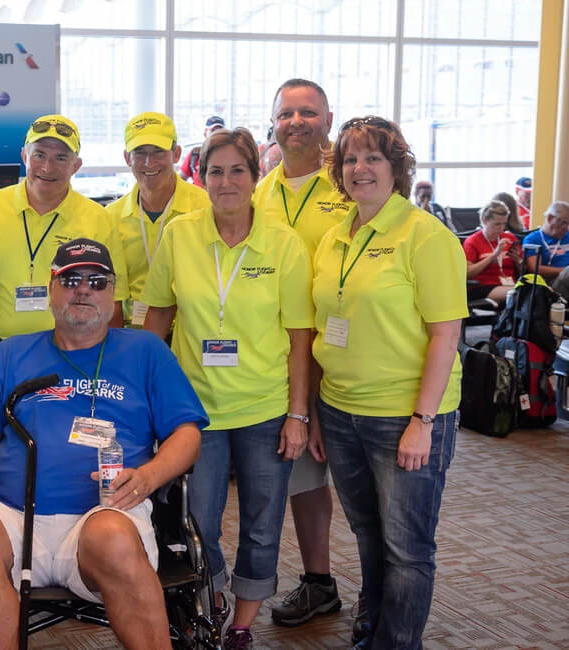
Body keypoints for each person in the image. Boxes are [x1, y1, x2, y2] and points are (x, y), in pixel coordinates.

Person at [0, 238, 207, 650]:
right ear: (51, 288)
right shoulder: (9, 355)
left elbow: (187, 434)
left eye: (97, 281)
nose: (84, 289)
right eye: (71, 280)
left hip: (105, 511)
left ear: (113, 293)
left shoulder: (146, 351)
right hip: (13, 516)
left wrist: (149, 476)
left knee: (113, 536)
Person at [142, 126, 314, 650]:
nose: (226, 181)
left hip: (265, 407)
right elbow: (159, 316)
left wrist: (298, 415)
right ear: (201, 175)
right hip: (196, 411)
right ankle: (210, 605)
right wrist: (145, 399)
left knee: (263, 524)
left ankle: (241, 624)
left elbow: (300, 335)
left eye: (237, 170)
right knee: (199, 523)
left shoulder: (283, 243)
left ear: (254, 175)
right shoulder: (180, 234)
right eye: (215, 171)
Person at [314, 115, 466, 649]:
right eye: (350, 159)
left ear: (397, 168)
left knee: (407, 548)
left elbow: (446, 336)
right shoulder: (336, 236)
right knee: (368, 534)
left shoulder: (426, 236)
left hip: (404, 416)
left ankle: (397, 643)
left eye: (373, 157)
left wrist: (423, 422)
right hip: (339, 410)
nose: (360, 168)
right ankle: (370, 624)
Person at [250, 78, 350, 629]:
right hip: (278, 358)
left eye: (307, 112)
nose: (296, 122)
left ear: (328, 120)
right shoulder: (260, 192)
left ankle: (353, 586)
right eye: (286, 113)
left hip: (336, 357)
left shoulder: (349, 187)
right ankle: (319, 582)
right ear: (273, 122)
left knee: (355, 489)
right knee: (302, 480)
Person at [0, 114, 127, 358]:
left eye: (61, 158)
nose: (47, 167)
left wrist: (107, 361)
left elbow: (114, 300)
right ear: (24, 156)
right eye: (39, 155)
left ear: (76, 166)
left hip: (71, 355)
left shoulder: (98, 218)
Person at [105, 111, 209, 326]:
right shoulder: (111, 217)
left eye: (158, 152)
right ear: (127, 158)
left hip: (189, 333)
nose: (149, 162)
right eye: (140, 153)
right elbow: (110, 293)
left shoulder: (205, 207)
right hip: (132, 331)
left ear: (176, 154)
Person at [463, 200, 522, 303]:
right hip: (483, 287)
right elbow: (467, 274)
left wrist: (518, 261)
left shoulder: (509, 238)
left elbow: (523, 271)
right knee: (521, 294)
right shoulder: (472, 241)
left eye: (504, 224)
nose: (501, 228)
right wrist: (492, 256)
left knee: (540, 291)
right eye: (497, 224)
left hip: (510, 284)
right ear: (485, 220)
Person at [523, 201, 569, 280]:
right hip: (551, 282)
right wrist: (565, 271)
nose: (566, 228)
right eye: (563, 223)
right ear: (550, 218)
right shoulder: (532, 239)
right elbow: (535, 269)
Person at [179, 115, 226, 187]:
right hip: (196, 197)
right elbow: (179, 180)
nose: (217, 134)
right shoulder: (195, 154)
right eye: (213, 130)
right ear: (205, 133)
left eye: (220, 131)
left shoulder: (230, 156)